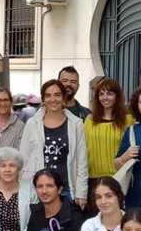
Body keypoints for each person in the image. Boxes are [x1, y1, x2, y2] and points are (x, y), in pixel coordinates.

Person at [20, 79, 89, 210]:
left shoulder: (76, 124)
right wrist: (23, 189)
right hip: (38, 191)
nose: (53, 99)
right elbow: (24, 158)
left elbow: (82, 162)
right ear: (43, 100)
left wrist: (81, 193)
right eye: (48, 95)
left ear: (63, 99)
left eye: (57, 95)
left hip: (66, 190)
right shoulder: (32, 124)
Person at [83, 77, 134, 207]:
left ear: (117, 96)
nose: (105, 97)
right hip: (93, 178)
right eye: (101, 94)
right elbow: (84, 149)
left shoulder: (128, 120)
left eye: (110, 93)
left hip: (119, 177)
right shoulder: (89, 120)